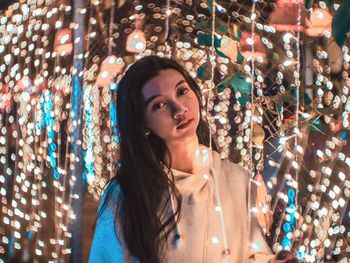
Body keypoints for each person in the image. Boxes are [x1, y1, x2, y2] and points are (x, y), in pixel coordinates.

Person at [89, 56, 298, 263]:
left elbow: (253, 254)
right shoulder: (126, 194)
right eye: (159, 105)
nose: (179, 109)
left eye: (182, 91)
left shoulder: (235, 179)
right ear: (142, 123)